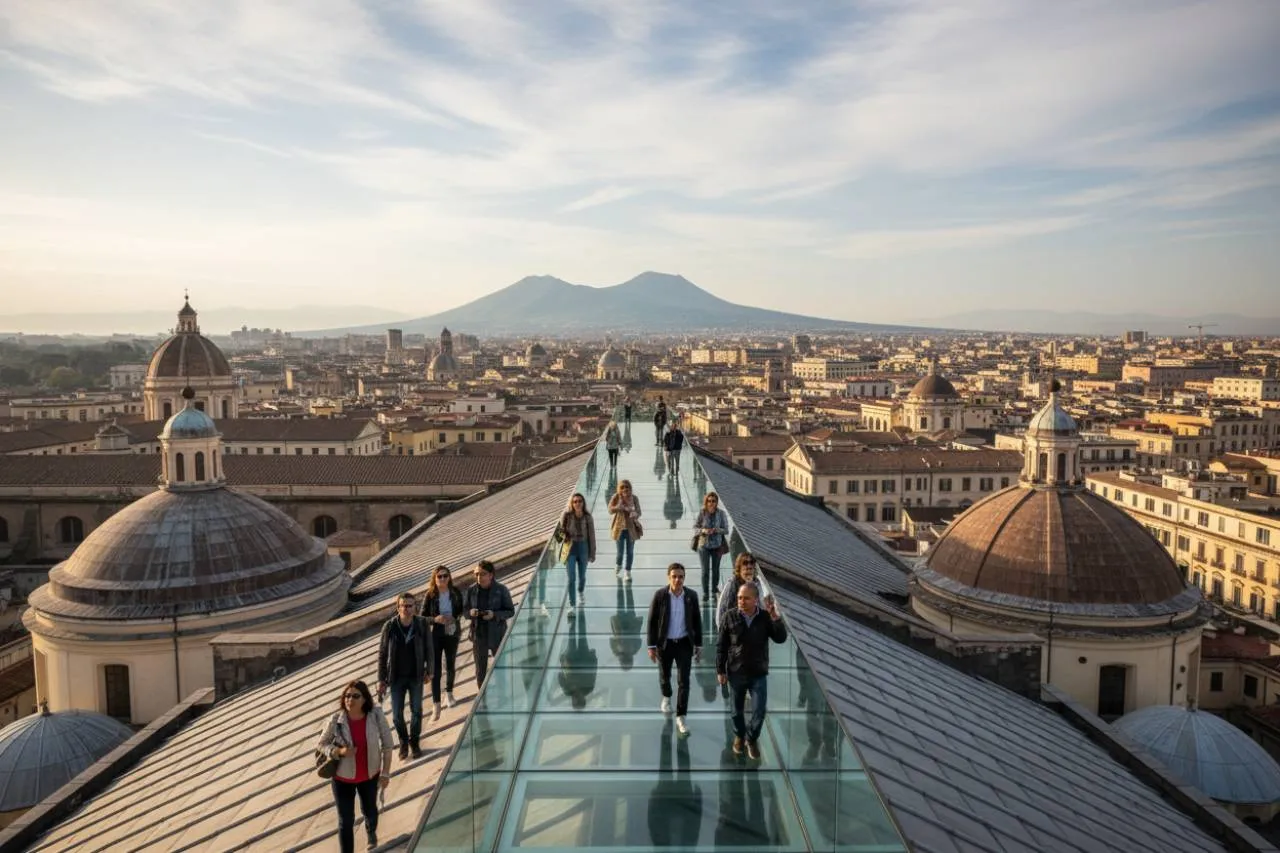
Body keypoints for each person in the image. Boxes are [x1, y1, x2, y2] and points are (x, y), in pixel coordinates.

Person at [317, 680, 395, 853]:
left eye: (355, 696)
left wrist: (386, 773)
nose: (349, 699)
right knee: (345, 821)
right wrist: (340, 751)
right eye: (347, 695)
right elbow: (321, 744)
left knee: (370, 811)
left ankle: (371, 832)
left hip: (369, 775)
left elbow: (388, 745)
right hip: (342, 778)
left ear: (364, 699)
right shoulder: (336, 719)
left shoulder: (375, 715)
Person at [716, 584, 786, 760]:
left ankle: (751, 739)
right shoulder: (729, 617)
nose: (741, 601)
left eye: (746, 598)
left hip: (758, 673)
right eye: (740, 597)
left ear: (756, 600)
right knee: (735, 712)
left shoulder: (764, 617)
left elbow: (780, 638)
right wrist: (720, 670)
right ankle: (739, 735)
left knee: (759, 711)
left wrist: (775, 618)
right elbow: (721, 647)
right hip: (736, 672)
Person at [646, 562, 702, 736]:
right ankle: (667, 696)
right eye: (674, 576)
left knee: (684, 681)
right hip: (665, 644)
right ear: (668, 577)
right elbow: (652, 621)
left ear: (684, 578)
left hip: (684, 644)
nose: (678, 580)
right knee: (665, 676)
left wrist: (698, 644)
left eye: (681, 576)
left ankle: (681, 716)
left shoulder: (691, 596)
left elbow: (697, 621)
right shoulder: (660, 595)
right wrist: (651, 646)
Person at [376, 592, 432, 760]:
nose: (407, 609)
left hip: (416, 676)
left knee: (417, 711)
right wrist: (381, 679)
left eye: (410, 605)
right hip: (396, 678)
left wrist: (430, 670)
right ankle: (403, 741)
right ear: (398, 608)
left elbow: (429, 649)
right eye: (403, 606)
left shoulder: (421, 624)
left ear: (415, 607)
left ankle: (414, 742)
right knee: (396, 715)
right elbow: (382, 654)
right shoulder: (390, 626)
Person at [463, 560, 515, 688]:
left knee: (500, 666)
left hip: (497, 634)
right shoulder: (471, 590)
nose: (479, 577)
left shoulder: (501, 590)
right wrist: (470, 613)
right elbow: (464, 611)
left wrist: (494, 615)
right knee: (480, 670)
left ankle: (503, 693)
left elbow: (510, 611)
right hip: (479, 635)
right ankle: (482, 699)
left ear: (491, 575)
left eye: (482, 574)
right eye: (476, 574)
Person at [423, 565, 462, 721]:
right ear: (434, 578)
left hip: (451, 630)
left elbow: (461, 610)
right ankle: (436, 703)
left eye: (445, 576)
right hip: (436, 633)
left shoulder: (455, 592)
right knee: (436, 669)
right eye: (439, 576)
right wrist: (435, 619)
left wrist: (455, 618)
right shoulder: (430, 595)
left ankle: (449, 693)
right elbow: (422, 617)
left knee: (450, 664)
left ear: (449, 577)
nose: (443, 579)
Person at [560, 492, 596, 615]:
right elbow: (560, 531)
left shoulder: (588, 517)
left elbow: (592, 536)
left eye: (580, 501)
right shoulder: (567, 515)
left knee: (582, 576)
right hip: (570, 548)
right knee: (571, 578)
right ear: (572, 503)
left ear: (583, 502)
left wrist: (593, 553)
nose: (577, 503)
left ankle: (580, 591)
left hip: (583, 548)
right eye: (575, 501)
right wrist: (565, 535)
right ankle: (572, 605)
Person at [693, 492, 729, 599]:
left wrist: (717, 530)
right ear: (706, 502)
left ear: (717, 502)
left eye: (713, 501)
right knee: (705, 570)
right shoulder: (702, 513)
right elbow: (695, 527)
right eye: (709, 501)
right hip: (703, 545)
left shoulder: (721, 513)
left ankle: (714, 590)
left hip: (717, 546)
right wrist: (703, 530)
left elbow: (726, 530)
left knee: (715, 569)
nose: (711, 503)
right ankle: (705, 592)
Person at [609, 479, 642, 583]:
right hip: (619, 529)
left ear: (630, 488)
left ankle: (627, 572)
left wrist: (635, 514)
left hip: (631, 529)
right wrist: (618, 507)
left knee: (630, 552)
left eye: (627, 487)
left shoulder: (634, 498)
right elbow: (610, 510)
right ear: (619, 489)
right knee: (620, 552)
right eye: (622, 487)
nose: (625, 489)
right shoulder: (616, 497)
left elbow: (639, 511)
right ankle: (618, 565)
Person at [717, 552, 760, 627]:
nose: (749, 566)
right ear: (739, 569)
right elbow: (722, 613)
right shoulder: (732, 585)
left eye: (751, 563)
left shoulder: (757, 584)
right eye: (745, 563)